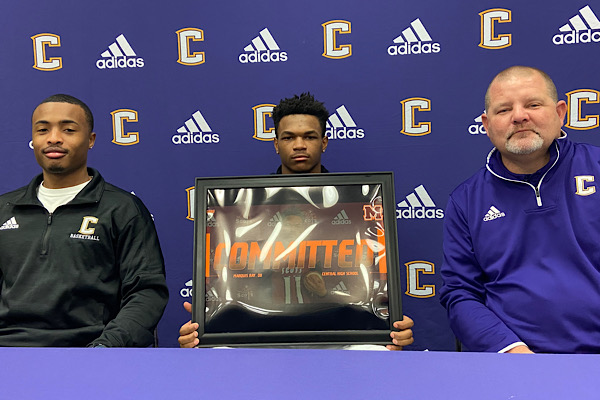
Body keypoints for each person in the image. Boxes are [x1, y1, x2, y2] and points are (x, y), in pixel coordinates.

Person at [179, 92, 414, 349]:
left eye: (309, 136)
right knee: (215, 353)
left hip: (343, 335)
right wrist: (205, 325)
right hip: (257, 338)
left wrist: (388, 328)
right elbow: (234, 286)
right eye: (289, 137)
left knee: (376, 352)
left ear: (324, 142)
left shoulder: (357, 201)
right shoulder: (242, 205)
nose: (299, 145)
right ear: (276, 144)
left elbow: (366, 287)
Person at [440, 66, 600, 353]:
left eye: (533, 104)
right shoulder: (466, 200)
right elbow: (460, 292)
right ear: (487, 125)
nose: (519, 116)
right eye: (504, 110)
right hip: (515, 361)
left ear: (560, 112)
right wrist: (511, 351)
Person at [0, 94, 168, 347]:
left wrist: (104, 349)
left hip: (91, 352)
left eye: (68, 130)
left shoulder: (122, 209)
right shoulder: (4, 208)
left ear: (90, 140)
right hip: (10, 353)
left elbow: (146, 292)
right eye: (43, 129)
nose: (54, 138)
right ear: (33, 139)